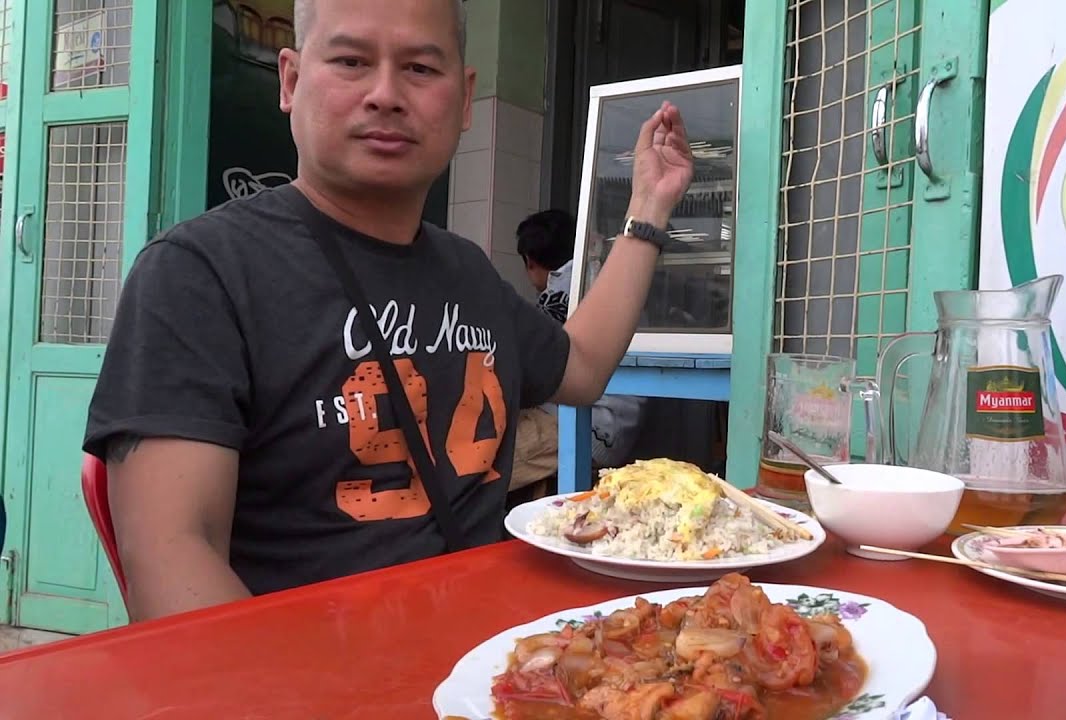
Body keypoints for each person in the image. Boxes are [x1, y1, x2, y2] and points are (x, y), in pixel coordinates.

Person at [81, 0, 693, 622]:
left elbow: (583, 369)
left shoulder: (469, 273)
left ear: (463, 101)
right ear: (290, 81)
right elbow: (172, 552)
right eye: (351, 61)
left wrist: (648, 207)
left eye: (421, 69)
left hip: (482, 661)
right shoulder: (198, 274)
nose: (385, 94)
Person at [514, 209, 647, 474]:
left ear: (530, 262)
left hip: (589, 425)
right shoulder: (603, 281)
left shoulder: (561, 297)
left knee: (477, 463)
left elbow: (530, 366)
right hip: (613, 421)